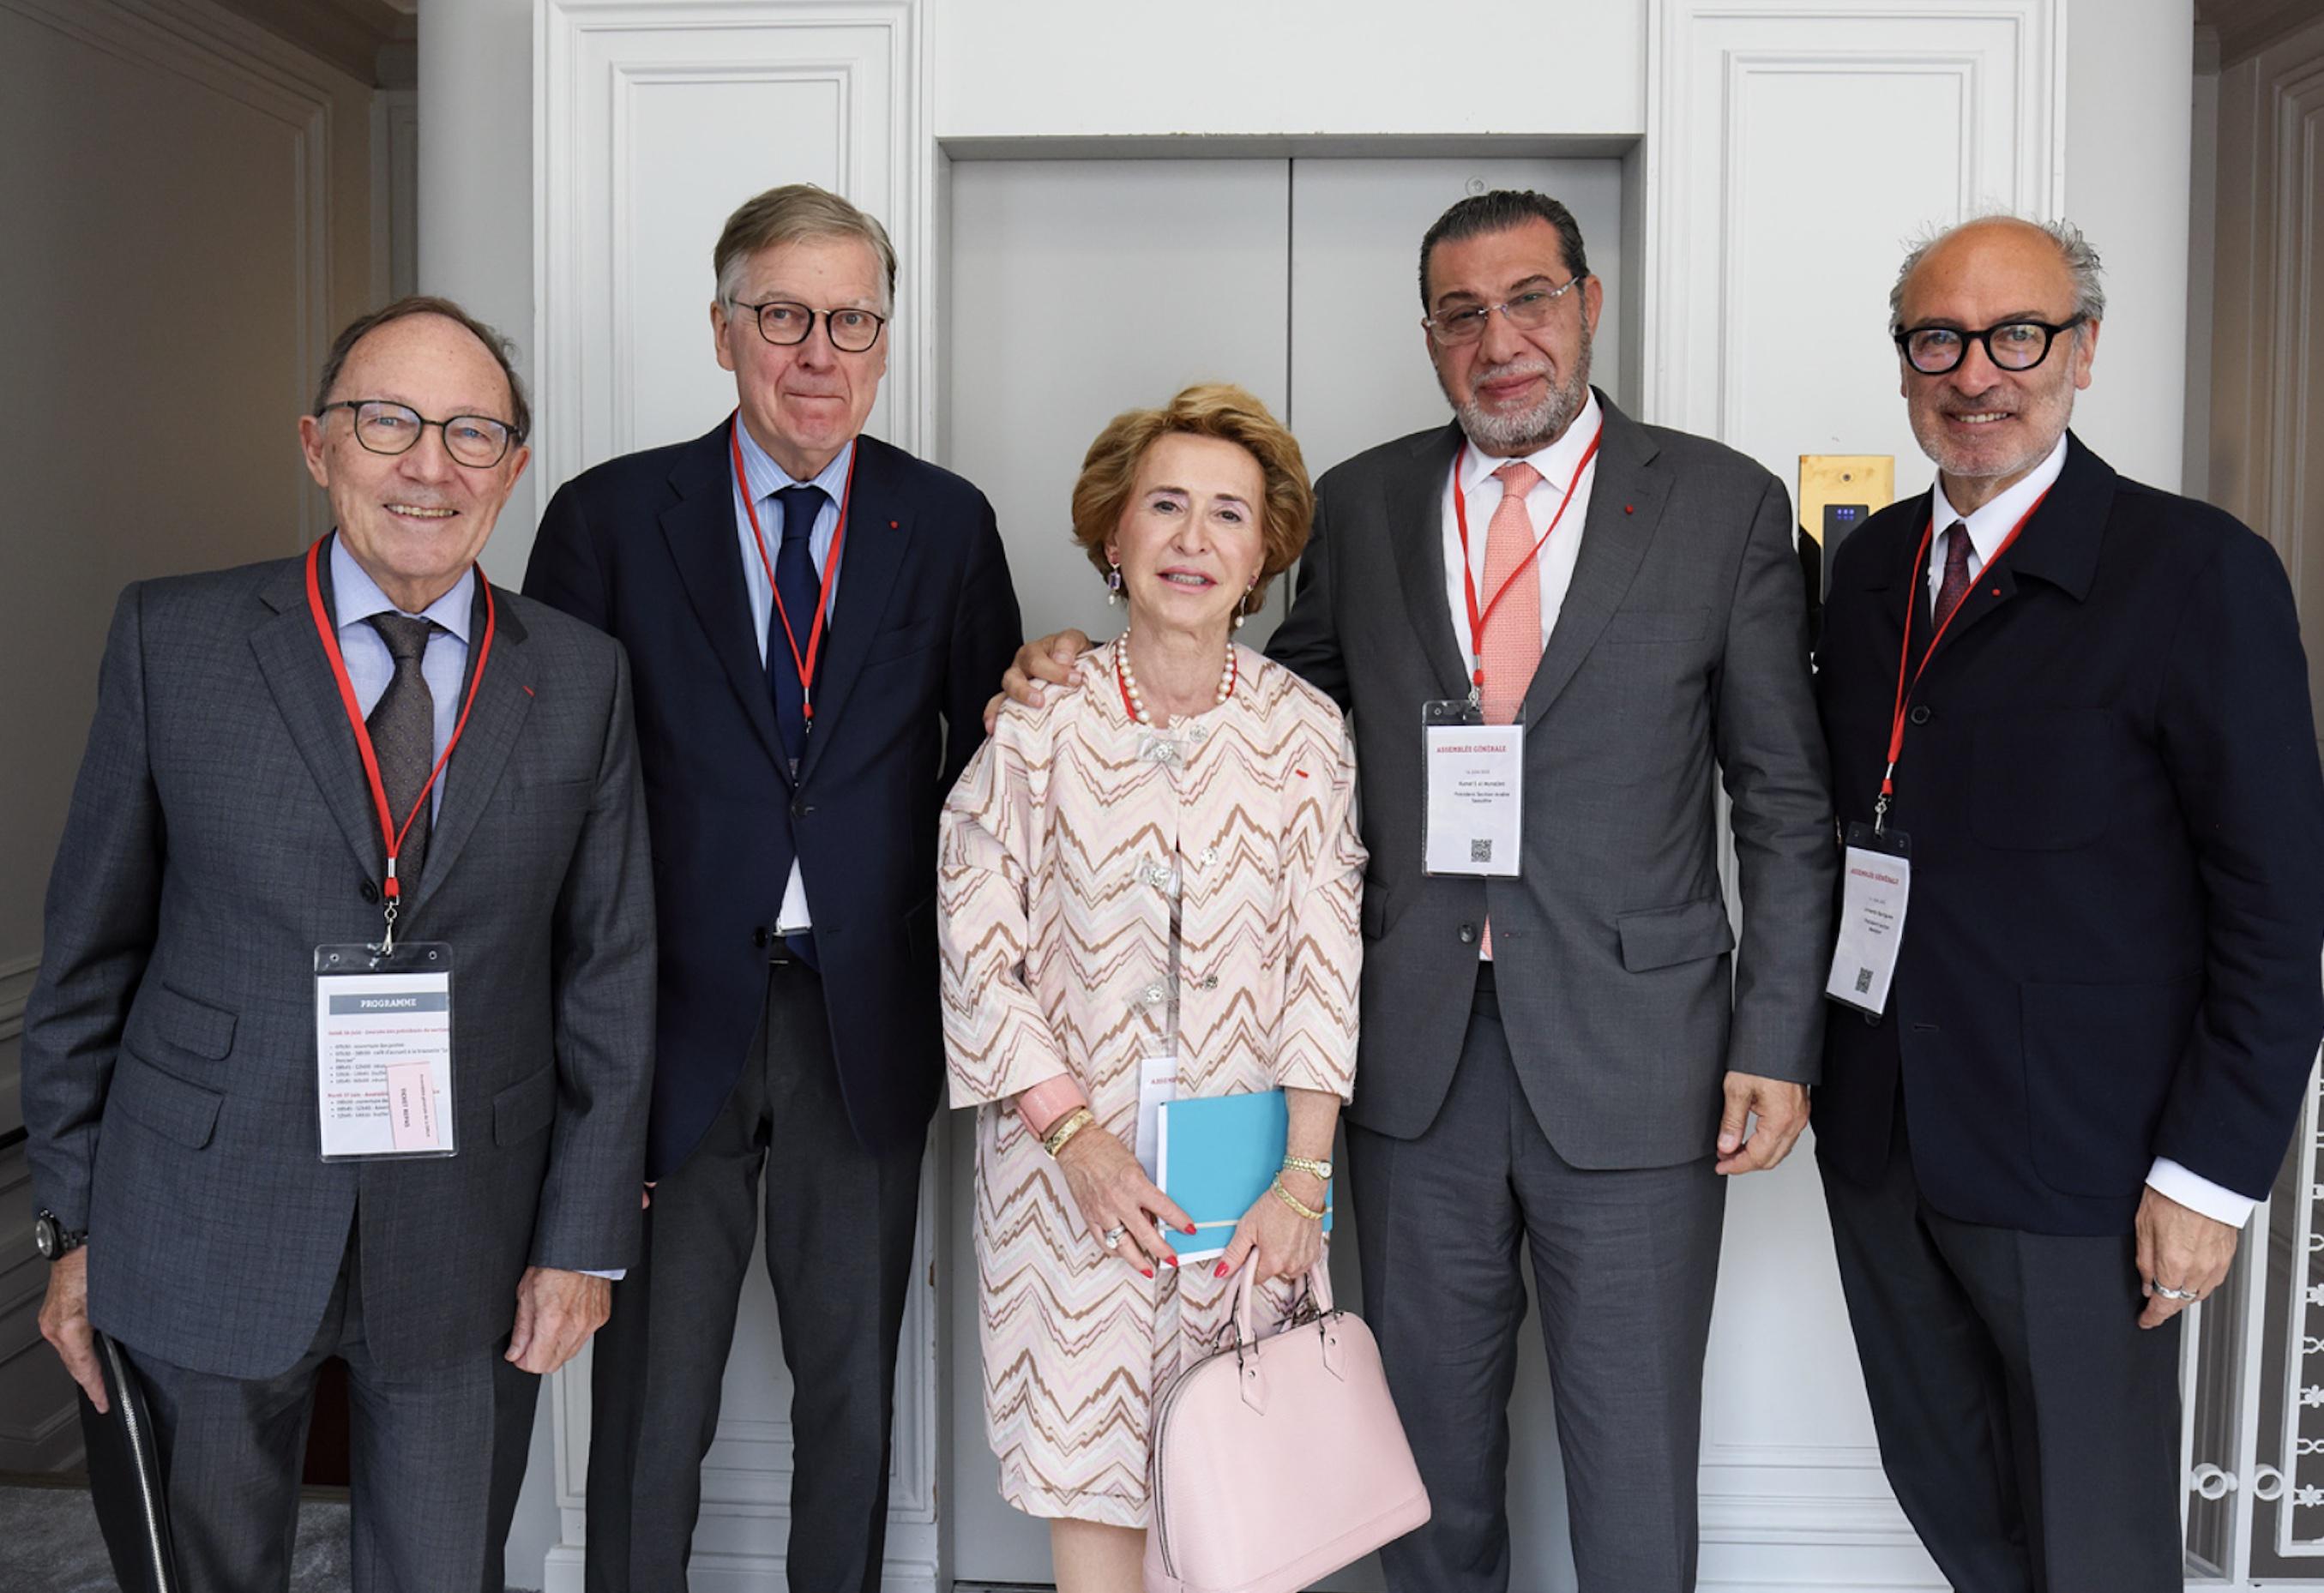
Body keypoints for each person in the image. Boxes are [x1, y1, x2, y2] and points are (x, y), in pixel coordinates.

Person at [1002, 190, 1835, 1591]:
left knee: (1634, 1468)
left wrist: (1776, 1036)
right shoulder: (1368, 501)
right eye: (1461, 314)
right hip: (1410, 1052)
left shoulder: (1721, 504)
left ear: (1588, 304)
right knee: (1423, 1474)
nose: (1498, 341)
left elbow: (1784, 798)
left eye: (1529, 300)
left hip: (1642, 1058)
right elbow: (1252, 707)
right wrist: (1079, 663)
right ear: (1430, 335)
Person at [24, 295, 654, 1592]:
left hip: (471, 1237)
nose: (431, 466)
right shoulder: (174, 641)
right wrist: (74, 1231)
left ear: (513, 469)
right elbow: (88, 959)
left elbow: (609, 970)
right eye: (389, 423)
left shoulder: (582, 676)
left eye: (472, 433)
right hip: (196, 1216)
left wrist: (581, 1240)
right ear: (317, 444)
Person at [521, 183, 1022, 1592]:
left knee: (852, 1390)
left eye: (850, 320)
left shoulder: (944, 521)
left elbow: (985, 776)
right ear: (722, 329)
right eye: (784, 316)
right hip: (658, 1020)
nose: (818, 353)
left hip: (862, 1020)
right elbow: (546, 788)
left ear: (882, 339)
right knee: (650, 1400)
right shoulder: (611, 518)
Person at [1814, 214, 2324, 1589]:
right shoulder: (1866, 571)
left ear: (2081, 351)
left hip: (2086, 1163)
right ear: (1903, 361)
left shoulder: (2196, 571)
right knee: (1950, 1496)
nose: (1975, 373)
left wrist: (2209, 1177)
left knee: (2093, 1535)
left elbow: (2274, 909)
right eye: (1939, 339)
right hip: (1882, 1135)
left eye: (2016, 335)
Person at [942, 383, 1364, 1591]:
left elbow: (1326, 962)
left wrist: (1306, 1180)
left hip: (1251, 1192)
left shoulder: (1306, 732)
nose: (1194, 539)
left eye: (1228, 514)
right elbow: (976, 953)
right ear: (1113, 536)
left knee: (1240, 1517)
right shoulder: (1038, 724)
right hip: (1069, 1186)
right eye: (1165, 505)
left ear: (1262, 555)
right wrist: (1075, 1139)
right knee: (1092, 1496)